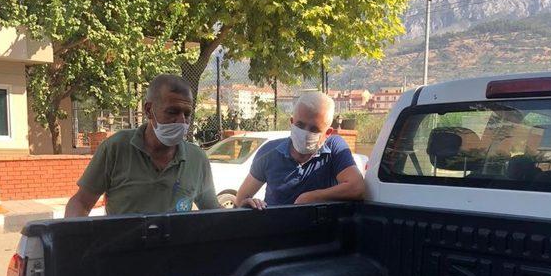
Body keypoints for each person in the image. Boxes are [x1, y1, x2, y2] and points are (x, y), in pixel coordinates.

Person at [65, 74, 219, 217]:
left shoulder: (197, 158)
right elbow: (81, 203)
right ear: (148, 110)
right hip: (125, 246)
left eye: (187, 114)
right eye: (172, 112)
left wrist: (242, 211)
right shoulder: (116, 148)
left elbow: (213, 211)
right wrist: (72, 237)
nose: (181, 121)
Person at [235, 91, 365, 210]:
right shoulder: (269, 152)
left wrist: (312, 197)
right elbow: (241, 199)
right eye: (300, 125)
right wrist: (249, 204)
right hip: (275, 231)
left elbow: (356, 187)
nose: (305, 132)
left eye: (314, 129)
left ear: (328, 133)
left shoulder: (333, 148)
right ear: (291, 122)